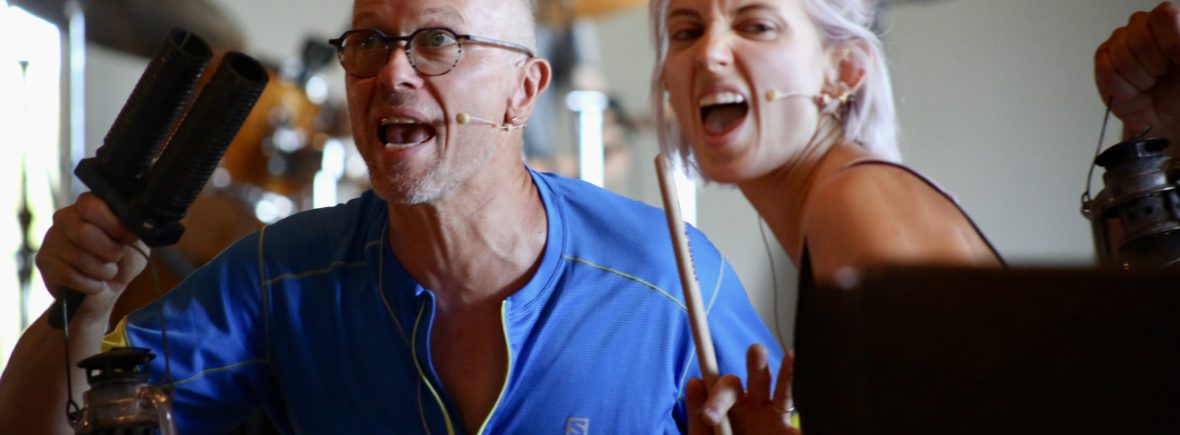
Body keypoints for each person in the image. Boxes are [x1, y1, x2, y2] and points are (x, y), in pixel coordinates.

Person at [0, 0, 781, 433]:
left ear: (525, 90)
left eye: (437, 41)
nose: (393, 70)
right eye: (369, 42)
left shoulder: (671, 276)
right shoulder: (282, 277)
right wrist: (82, 302)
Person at [647, 0, 1007, 432]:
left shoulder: (855, 201)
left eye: (757, 26)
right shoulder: (842, 200)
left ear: (845, 70)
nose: (709, 52)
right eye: (687, 33)